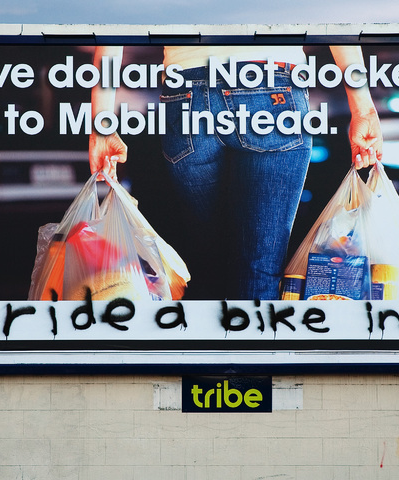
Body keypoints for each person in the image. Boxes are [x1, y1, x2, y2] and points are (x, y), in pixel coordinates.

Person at [89, 44, 383, 300]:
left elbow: (115, 21)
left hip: (187, 92)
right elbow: (334, 12)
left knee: (206, 266)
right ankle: (252, 361)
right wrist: (363, 109)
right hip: (272, 85)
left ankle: (207, 361)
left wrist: (101, 124)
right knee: (259, 273)